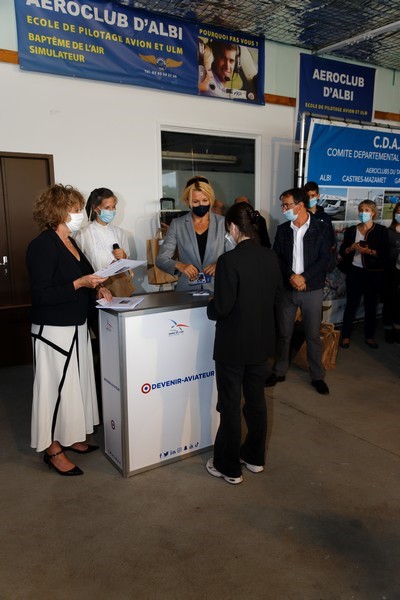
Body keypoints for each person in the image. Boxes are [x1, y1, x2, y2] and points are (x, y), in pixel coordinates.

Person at [26, 184, 112, 476]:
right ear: (59, 212)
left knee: (75, 388)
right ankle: (52, 450)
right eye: (75, 210)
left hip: (76, 326)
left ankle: (71, 436)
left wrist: (98, 288)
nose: (79, 214)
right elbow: (41, 294)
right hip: (53, 331)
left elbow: (86, 277)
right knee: (53, 392)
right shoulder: (42, 245)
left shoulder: (70, 242)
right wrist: (79, 284)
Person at [206, 202, 282, 484]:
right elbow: (277, 297)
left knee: (229, 405)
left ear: (233, 227)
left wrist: (211, 304)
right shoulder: (270, 256)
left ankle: (228, 466)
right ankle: (254, 458)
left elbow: (222, 308)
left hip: (233, 345)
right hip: (262, 343)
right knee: (256, 401)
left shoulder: (229, 260)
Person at [266, 187, 331, 395]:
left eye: (287, 205)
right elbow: (277, 257)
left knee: (312, 335)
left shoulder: (321, 228)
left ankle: (317, 376)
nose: (283, 209)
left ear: (300, 205)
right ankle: (279, 370)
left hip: (312, 288)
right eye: (282, 205)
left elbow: (325, 259)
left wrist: (304, 277)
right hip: (288, 288)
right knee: (284, 333)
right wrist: (292, 277)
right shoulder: (283, 229)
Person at [156, 176, 228, 293]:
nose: (201, 205)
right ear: (187, 201)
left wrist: (220, 265)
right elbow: (161, 259)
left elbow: (234, 256)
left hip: (218, 289)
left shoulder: (223, 223)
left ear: (210, 199)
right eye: (195, 202)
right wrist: (180, 266)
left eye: (205, 200)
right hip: (186, 291)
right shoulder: (177, 224)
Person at [338, 200, 389, 349]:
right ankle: (346, 336)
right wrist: (350, 248)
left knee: (370, 305)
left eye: (366, 210)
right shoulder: (351, 230)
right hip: (355, 271)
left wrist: (369, 251)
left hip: (373, 273)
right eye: (361, 210)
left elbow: (385, 253)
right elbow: (343, 251)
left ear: (373, 212)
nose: (363, 213)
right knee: (351, 304)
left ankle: (369, 336)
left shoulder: (381, 230)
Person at [74, 187, 130, 272]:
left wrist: (124, 257)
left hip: (118, 279)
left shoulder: (120, 233)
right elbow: (77, 264)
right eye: (107, 207)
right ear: (95, 208)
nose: (111, 211)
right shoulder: (82, 234)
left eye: (113, 207)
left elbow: (127, 264)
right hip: (94, 279)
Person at [382, 202, 400, 342]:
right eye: (398, 212)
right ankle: (388, 329)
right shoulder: (389, 232)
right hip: (391, 272)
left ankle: (397, 328)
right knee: (390, 301)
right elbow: (384, 254)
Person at [303, 181, 336, 252]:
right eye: (307, 196)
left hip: (322, 254)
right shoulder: (300, 216)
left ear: (318, 196)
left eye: (313, 196)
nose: (310, 199)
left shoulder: (325, 217)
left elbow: (331, 239)